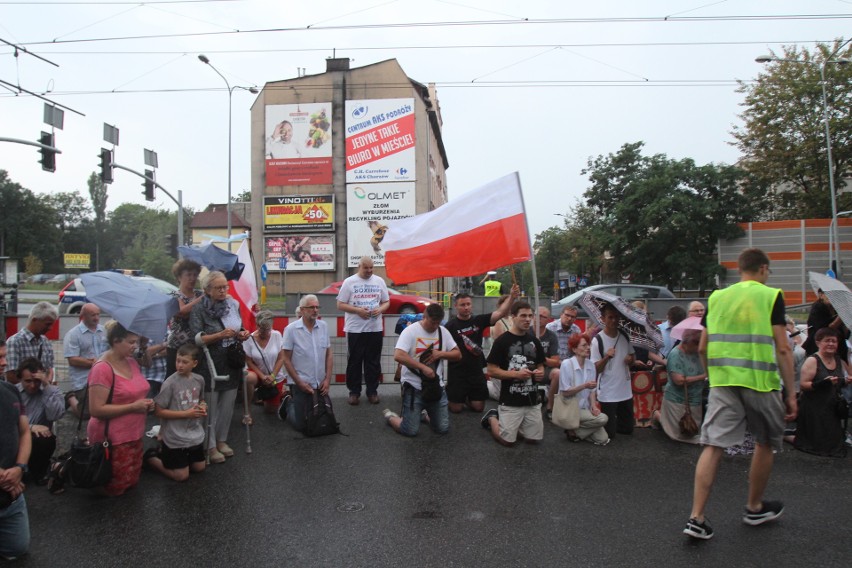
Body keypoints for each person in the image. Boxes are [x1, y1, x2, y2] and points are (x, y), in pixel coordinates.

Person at [683, 248, 796, 541]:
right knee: (764, 442)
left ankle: (696, 517)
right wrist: (791, 393)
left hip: (723, 382)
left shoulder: (717, 298)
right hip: (761, 382)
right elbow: (783, 348)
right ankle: (754, 507)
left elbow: (703, 346)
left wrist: (712, 376)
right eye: (768, 271)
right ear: (763, 269)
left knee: (713, 445)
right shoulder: (770, 296)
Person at [87, 321, 155, 497]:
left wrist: (146, 404)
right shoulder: (102, 368)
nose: (135, 346)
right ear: (116, 341)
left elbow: (147, 364)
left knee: (130, 483)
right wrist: (134, 406)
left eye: (136, 342)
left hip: (134, 434)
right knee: (115, 488)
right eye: (131, 342)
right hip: (112, 439)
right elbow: (95, 409)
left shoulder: (131, 362)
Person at [190, 271, 250, 464]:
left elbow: (238, 327)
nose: (224, 290)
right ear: (207, 290)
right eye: (219, 287)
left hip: (231, 359)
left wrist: (242, 333)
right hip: (210, 361)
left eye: (225, 286)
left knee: (228, 403)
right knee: (211, 403)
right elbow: (196, 338)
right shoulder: (199, 308)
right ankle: (210, 444)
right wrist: (218, 336)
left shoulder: (233, 305)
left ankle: (222, 440)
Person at [383, 304, 460, 437]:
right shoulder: (410, 331)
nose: (435, 326)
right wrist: (422, 367)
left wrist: (440, 354)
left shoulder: (443, 331)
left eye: (438, 323)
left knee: (442, 429)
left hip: (435, 385)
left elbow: (458, 355)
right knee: (410, 431)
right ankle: (391, 417)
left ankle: (424, 415)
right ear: (425, 316)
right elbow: (398, 355)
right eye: (432, 322)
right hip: (413, 386)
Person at [481, 301, 546, 447]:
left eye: (530, 316)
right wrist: (516, 375)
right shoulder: (502, 341)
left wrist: (540, 373)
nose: (528, 319)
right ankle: (492, 418)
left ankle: (516, 426)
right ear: (513, 317)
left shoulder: (534, 341)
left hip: (532, 399)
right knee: (507, 441)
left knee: (532, 440)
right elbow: (491, 370)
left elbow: (541, 365)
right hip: (510, 400)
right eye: (523, 315)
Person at [444, 286, 518, 414]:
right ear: (456, 306)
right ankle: (453, 396)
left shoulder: (478, 321)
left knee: (478, 408)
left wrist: (512, 296)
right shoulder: (450, 326)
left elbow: (500, 313)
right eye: (462, 305)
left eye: (468, 304)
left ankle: (466, 398)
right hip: (457, 371)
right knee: (456, 409)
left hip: (475, 370)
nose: (466, 307)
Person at [144, 344, 207, 482]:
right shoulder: (170, 383)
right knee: (181, 476)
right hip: (175, 435)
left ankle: (177, 457)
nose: (180, 365)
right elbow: (159, 412)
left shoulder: (199, 380)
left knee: (199, 467)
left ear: (194, 363)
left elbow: (201, 400)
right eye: (178, 360)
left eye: (185, 362)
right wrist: (186, 414)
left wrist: (203, 406)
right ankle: (151, 458)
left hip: (193, 432)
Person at [336, 256, 390, 406]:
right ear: (359, 267)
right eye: (366, 268)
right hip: (355, 329)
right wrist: (357, 310)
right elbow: (340, 305)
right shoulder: (349, 282)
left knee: (373, 361)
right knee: (354, 361)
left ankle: (372, 391)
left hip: (375, 328)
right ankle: (354, 392)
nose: (369, 271)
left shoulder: (379, 281)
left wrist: (380, 309)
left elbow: (386, 302)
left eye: (371, 268)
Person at [793, 328, 851, 457]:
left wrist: (846, 381)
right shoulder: (812, 360)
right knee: (817, 446)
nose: (831, 344)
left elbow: (841, 382)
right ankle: (789, 436)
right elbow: (803, 385)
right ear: (818, 343)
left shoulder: (839, 360)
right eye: (827, 341)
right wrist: (822, 383)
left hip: (832, 406)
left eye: (834, 341)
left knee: (836, 446)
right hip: (813, 406)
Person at [280, 295, 333, 431]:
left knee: (322, 421)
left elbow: (329, 354)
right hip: (301, 383)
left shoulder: (323, 327)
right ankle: (288, 404)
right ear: (302, 310)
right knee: (302, 426)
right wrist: (299, 383)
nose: (315, 310)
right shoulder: (291, 330)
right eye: (311, 307)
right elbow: (286, 358)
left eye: (317, 307)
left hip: (319, 383)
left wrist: (327, 379)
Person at [0, 339, 31, 561]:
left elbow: (25, 431)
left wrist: (19, 468)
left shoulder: (11, 390)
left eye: (4, 356)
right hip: (7, 483)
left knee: (17, 549)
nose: (4, 363)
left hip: (11, 490)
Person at [590, 303, 636, 439]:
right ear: (603, 319)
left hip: (625, 389)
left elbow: (633, 358)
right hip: (608, 390)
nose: (614, 320)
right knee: (610, 434)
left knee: (628, 430)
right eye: (610, 317)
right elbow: (595, 369)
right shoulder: (597, 340)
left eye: (616, 317)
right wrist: (607, 357)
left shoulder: (625, 336)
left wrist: (631, 359)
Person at [652, 329, 706, 444]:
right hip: (678, 398)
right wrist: (702, 377)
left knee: (692, 429)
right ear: (688, 343)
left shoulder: (698, 353)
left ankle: (659, 417)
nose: (698, 348)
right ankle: (657, 416)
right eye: (696, 345)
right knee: (679, 435)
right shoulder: (675, 354)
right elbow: (679, 380)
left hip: (695, 397)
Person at [15, 358, 64, 484]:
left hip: (38, 440)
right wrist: (30, 427)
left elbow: (55, 415)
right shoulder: (13, 392)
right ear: (20, 379)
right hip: (16, 436)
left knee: (46, 438)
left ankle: (39, 473)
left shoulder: (52, 391)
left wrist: (46, 386)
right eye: (28, 381)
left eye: (36, 381)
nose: (32, 385)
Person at [557, 333, 609, 445]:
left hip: (585, 408)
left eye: (588, 345)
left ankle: (574, 430)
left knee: (602, 439)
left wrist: (594, 406)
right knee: (603, 419)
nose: (588, 348)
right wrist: (584, 385)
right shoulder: (567, 364)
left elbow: (592, 391)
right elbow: (565, 392)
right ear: (575, 349)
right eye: (584, 345)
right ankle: (574, 427)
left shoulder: (590, 365)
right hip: (570, 408)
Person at [63, 302, 108, 418]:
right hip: (83, 380)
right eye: (93, 315)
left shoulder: (104, 331)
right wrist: (93, 363)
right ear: (83, 316)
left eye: (98, 314)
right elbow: (72, 359)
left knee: (102, 409)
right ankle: (70, 397)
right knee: (86, 414)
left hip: (102, 377)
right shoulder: (73, 334)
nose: (96, 318)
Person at [166, 259, 204, 377]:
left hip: (196, 345)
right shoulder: (173, 295)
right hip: (177, 347)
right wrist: (202, 299)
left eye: (195, 275)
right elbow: (181, 311)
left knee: (195, 378)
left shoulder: (199, 294)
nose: (192, 278)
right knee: (175, 378)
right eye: (188, 275)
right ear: (179, 277)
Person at [244, 310, 287, 414]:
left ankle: (266, 397)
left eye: (268, 329)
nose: (266, 332)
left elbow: (281, 358)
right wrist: (262, 377)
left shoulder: (276, 335)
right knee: (249, 378)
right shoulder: (249, 339)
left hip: (274, 376)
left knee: (270, 411)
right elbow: (249, 361)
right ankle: (247, 410)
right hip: (258, 374)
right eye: (262, 329)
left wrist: (272, 376)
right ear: (257, 325)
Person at [5, 301, 57, 384]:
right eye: (47, 324)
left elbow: (50, 369)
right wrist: (34, 385)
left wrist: (47, 383)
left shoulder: (46, 341)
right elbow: (11, 376)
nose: (50, 328)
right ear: (34, 320)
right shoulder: (14, 342)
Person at [803, 289, 850, 362]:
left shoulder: (837, 308)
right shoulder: (817, 308)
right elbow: (826, 331)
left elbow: (845, 334)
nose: (831, 297)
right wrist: (840, 317)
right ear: (821, 295)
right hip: (818, 350)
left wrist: (847, 318)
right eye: (828, 294)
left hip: (838, 350)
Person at [534, 306, 560, 416]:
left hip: (545, 370)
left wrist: (541, 357)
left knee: (557, 373)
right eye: (537, 315)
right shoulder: (526, 332)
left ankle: (550, 407)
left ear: (548, 320)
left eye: (543, 317)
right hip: (528, 368)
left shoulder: (551, 336)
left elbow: (555, 362)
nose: (539, 318)